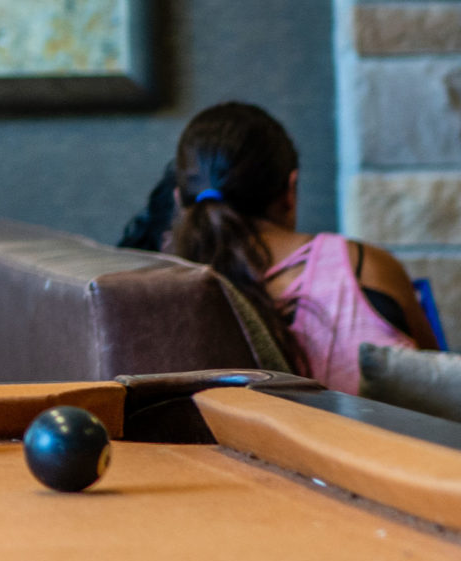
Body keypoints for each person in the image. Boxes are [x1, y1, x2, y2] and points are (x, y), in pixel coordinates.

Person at [165, 102, 437, 393]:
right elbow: (437, 386)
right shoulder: (368, 267)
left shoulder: (163, 297)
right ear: (289, 191)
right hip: (377, 439)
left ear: (180, 201)